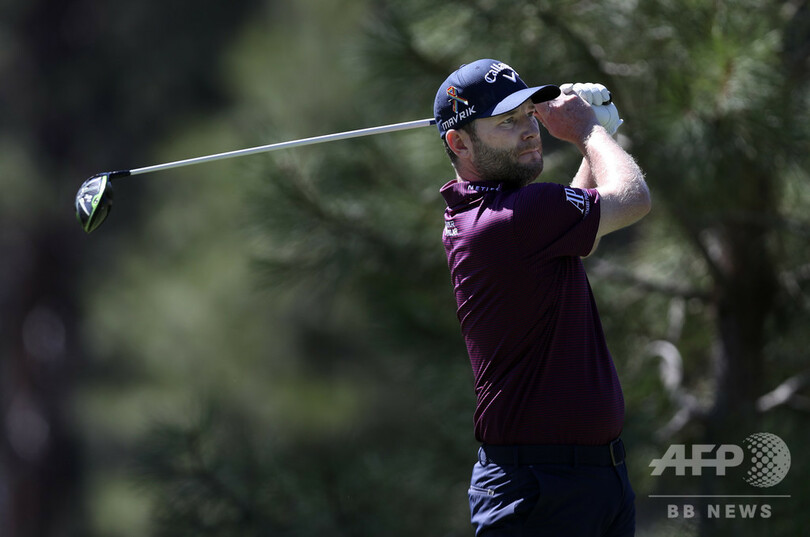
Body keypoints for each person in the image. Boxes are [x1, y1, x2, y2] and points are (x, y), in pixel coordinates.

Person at [434, 59, 650, 536]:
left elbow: (579, 236)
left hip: (587, 480)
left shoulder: (492, 212)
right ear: (459, 142)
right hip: (539, 490)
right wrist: (589, 132)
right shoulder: (513, 216)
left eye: (528, 114)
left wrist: (595, 141)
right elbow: (633, 198)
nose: (529, 129)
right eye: (506, 122)